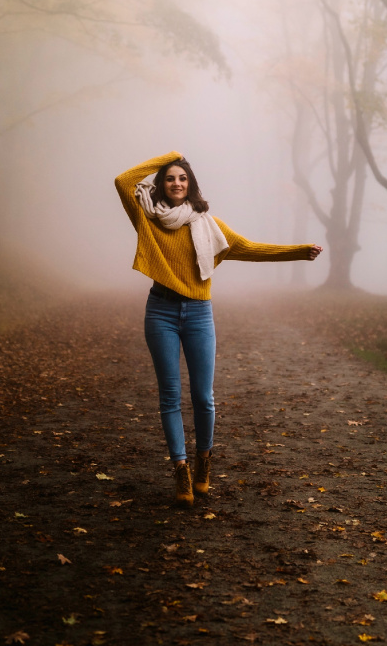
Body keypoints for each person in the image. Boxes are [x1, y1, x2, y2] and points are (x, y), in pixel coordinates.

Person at [114, 152, 322, 507]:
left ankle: (203, 460)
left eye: (182, 177)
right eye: (169, 178)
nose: (176, 183)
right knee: (169, 396)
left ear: (191, 185)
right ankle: (179, 468)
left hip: (198, 313)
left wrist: (299, 251)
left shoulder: (208, 225)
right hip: (160, 311)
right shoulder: (147, 217)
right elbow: (123, 180)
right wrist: (171, 156)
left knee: (203, 397)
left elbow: (249, 248)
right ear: (161, 185)